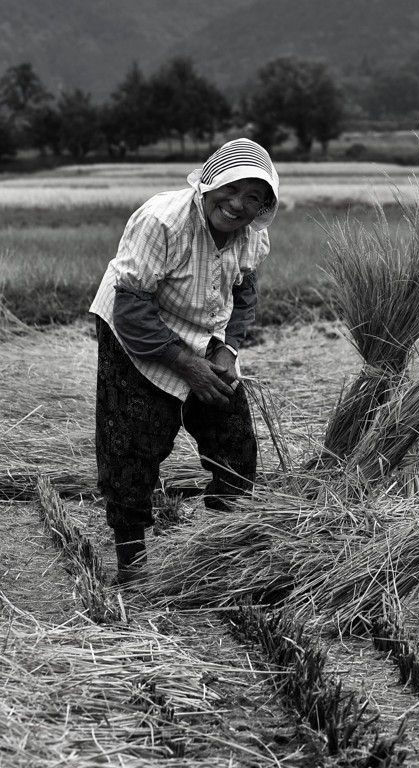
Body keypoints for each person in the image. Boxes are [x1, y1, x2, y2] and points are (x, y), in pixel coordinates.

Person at [89, 138, 280, 585]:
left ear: (263, 207)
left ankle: (221, 556)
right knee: (132, 445)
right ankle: (132, 569)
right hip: (136, 330)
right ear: (208, 183)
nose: (237, 205)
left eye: (253, 197)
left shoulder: (253, 237)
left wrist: (226, 350)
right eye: (231, 189)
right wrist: (187, 365)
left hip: (202, 332)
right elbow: (132, 308)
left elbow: (242, 294)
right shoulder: (163, 222)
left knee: (235, 445)